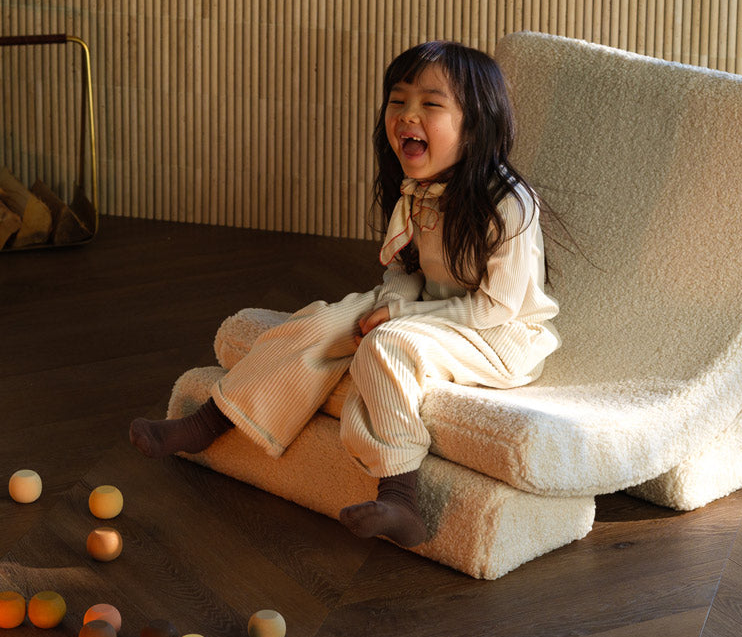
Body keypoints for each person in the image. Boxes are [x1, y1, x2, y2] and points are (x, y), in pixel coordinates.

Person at [129, 41, 560, 548]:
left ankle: (401, 497)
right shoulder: (418, 190)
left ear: (477, 122)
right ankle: (207, 423)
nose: (406, 116)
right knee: (322, 321)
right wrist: (387, 303)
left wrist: (397, 314)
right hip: (431, 310)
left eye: (431, 104)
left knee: (388, 345)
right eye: (397, 101)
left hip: (498, 335)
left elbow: (497, 307)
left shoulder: (509, 204)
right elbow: (406, 268)